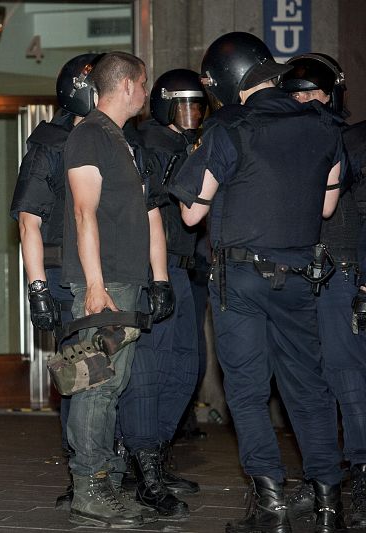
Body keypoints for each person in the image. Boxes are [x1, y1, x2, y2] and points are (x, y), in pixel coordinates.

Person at [169, 32, 345, 533]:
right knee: (308, 389)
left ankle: (270, 506)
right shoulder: (323, 125)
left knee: (246, 392)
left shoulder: (231, 129)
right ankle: (328, 502)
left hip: (241, 279)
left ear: (225, 80)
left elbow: (189, 212)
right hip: (300, 277)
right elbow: (328, 206)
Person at [61, 51, 151, 529]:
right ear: (129, 85)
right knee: (95, 387)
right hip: (105, 283)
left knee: (111, 386)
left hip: (121, 279)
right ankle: (90, 487)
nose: (147, 93)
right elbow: (83, 212)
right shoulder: (90, 134)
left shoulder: (117, 138)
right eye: (144, 84)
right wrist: (95, 286)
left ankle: (106, 483)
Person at [9, 52, 101, 509]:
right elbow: (29, 220)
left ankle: (128, 467)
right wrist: (39, 287)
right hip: (69, 275)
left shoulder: (118, 137)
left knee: (120, 380)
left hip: (118, 271)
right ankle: (82, 473)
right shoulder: (51, 142)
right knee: (81, 375)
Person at [280, 53, 366, 529]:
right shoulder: (287, 141)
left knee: (346, 378)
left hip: (340, 273)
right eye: (294, 94)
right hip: (298, 275)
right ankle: (323, 480)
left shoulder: (351, 141)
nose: (303, 101)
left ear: (332, 93)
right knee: (307, 384)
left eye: (313, 92)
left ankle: (363, 474)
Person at [118, 68, 208, 518]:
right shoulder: (151, 142)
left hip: (185, 267)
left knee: (187, 366)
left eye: (198, 105)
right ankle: (141, 461)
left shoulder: (189, 142)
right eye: (183, 105)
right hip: (159, 267)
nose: (191, 115)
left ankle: (154, 453)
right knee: (152, 372)